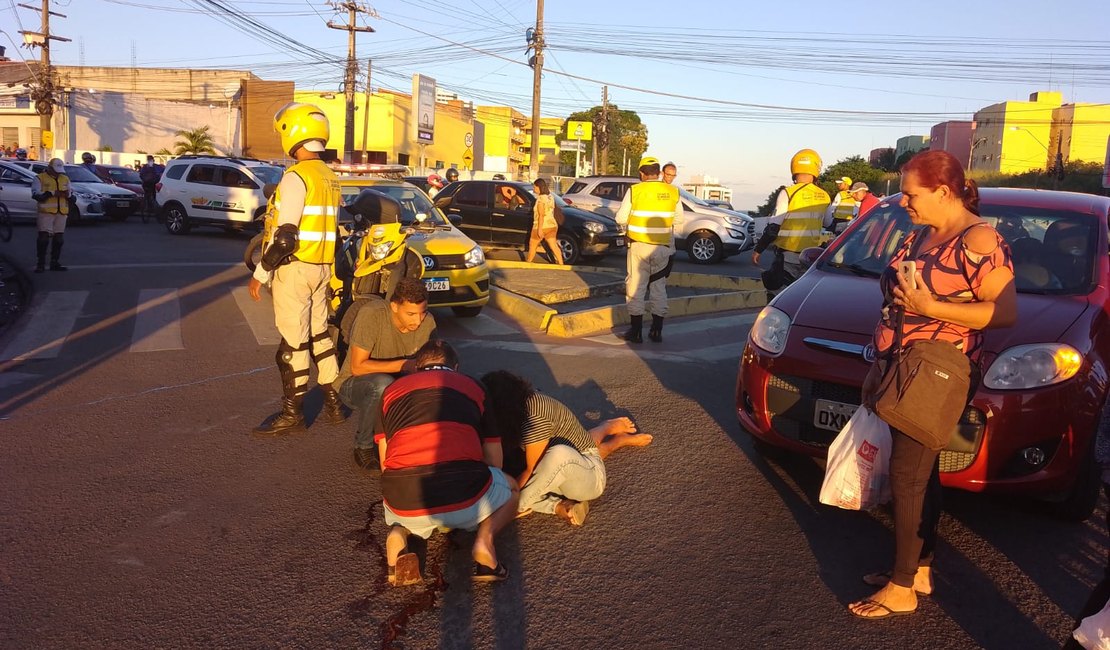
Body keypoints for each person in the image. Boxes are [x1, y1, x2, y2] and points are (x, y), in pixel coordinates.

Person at [850, 149, 1016, 619]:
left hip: (938, 368)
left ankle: (902, 587)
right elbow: (897, 306)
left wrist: (933, 309)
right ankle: (917, 568)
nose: (903, 201)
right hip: (900, 363)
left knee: (907, 475)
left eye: (910, 193)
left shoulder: (980, 240)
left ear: (943, 191)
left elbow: (1003, 313)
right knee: (921, 473)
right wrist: (876, 365)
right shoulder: (924, 234)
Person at [378, 340, 520, 586]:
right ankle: (484, 541)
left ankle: (398, 532)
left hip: (403, 501)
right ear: (455, 367)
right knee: (512, 488)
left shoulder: (389, 393)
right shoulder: (474, 386)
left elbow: (385, 463)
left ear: (416, 368)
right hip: (465, 497)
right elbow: (494, 460)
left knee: (400, 501)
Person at [248, 102, 346, 435]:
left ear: (293, 133)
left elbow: (286, 238)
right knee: (319, 335)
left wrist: (261, 273)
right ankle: (334, 403)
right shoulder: (329, 177)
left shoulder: (296, 177)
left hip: (295, 268)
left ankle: (294, 414)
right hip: (321, 267)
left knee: (292, 346)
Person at [481, 370, 653, 526]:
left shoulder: (534, 415)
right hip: (572, 457)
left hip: (591, 475)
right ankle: (558, 506)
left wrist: (506, 505)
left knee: (556, 458)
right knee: (529, 475)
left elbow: (531, 470)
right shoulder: (520, 407)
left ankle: (617, 440)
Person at [333, 277, 437, 471]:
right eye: (411, 314)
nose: (418, 320)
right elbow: (358, 367)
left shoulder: (428, 322)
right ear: (394, 307)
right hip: (355, 385)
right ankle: (363, 446)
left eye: (422, 313)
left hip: (399, 383)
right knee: (382, 384)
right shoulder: (372, 315)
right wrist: (404, 365)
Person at [615, 155, 683, 344]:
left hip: (638, 247)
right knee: (659, 288)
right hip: (663, 248)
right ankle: (656, 331)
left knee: (636, 287)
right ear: (659, 172)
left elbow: (620, 218)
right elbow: (678, 220)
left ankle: (636, 332)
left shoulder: (635, 190)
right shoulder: (673, 192)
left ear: (642, 173)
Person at [751, 149, 832, 292]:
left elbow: (773, 227)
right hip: (810, 257)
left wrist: (758, 250)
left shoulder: (788, 193)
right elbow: (828, 223)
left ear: (794, 168)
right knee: (800, 297)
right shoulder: (824, 196)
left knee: (780, 296)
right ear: (816, 169)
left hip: (787, 257)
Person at [30, 158, 71, 273]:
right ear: (49, 168)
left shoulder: (65, 178)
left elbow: (72, 196)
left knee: (59, 239)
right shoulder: (39, 178)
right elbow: (36, 195)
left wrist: (68, 195)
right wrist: (52, 193)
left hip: (61, 212)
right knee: (43, 238)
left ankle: (54, 262)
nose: (58, 173)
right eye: (55, 170)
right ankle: (40, 264)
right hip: (46, 213)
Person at [524, 178, 562, 264]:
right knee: (554, 245)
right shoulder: (550, 197)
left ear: (539, 187)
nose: (534, 189)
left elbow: (541, 215)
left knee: (532, 245)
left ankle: (528, 262)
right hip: (552, 225)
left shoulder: (540, 199)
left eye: (535, 187)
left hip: (541, 225)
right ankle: (561, 263)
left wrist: (539, 229)